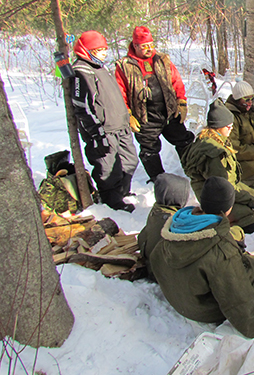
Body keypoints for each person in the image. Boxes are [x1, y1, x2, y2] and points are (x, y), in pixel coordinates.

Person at [150, 176, 254, 348]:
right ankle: (238, 329)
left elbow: (155, 258)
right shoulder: (218, 247)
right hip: (201, 308)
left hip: (180, 295)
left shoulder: (180, 223)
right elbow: (236, 297)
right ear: (228, 208)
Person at [115, 26, 195, 182]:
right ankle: (158, 180)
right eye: (144, 46)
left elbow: (176, 81)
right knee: (149, 149)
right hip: (144, 116)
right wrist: (128, 114)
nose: (149, 49)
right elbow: (120, 93)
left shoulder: (162, 59)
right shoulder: (125, 65)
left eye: (151, 44)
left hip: (169, 111)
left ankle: (193, 169)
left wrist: (182, 101)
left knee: (184, 140)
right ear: (135, 45)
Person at [70, 31, 139, 213]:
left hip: (120, 126)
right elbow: (83, 106)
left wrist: (127, 116)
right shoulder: (81, 71)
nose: (103, 53)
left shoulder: (100, 67)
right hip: (103, 130)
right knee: (108, 168)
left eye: (104, 49)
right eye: (98, 50)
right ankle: (112, 202)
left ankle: (121, 193)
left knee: (129, 161)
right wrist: (97, 133)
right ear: (87, 50)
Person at [181, 99, 254, 233]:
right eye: (228, 127)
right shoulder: (213, 154)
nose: (231, 129)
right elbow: (223, 188)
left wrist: (250, 197)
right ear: (217, 126)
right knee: (250, 214)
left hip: (220, 190)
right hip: (214, 199)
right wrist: (248, 200)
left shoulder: (215, 139)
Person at [138, 173, 190, 281]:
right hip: (163, 275)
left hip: (152, 266)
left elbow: (143, 237)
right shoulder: (172, 222)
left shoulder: (157, 212)